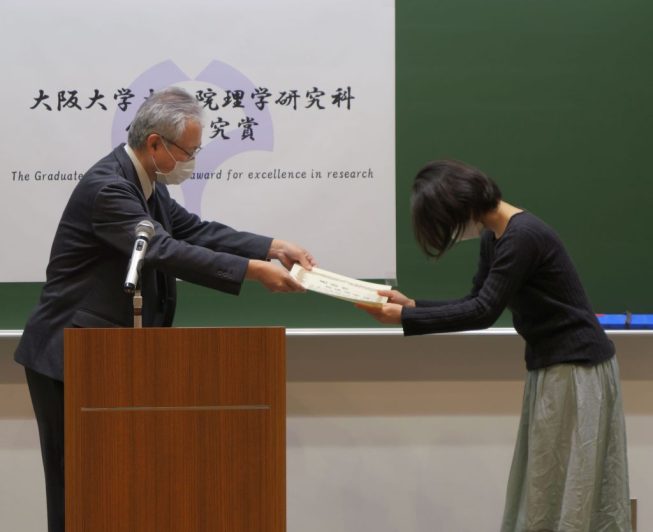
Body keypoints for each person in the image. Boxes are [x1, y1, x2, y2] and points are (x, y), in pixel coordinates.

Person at [14, 86, 316, 532]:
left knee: (114, 485)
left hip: (107, 355)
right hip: (66, 356)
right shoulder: (108, 188)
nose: (192, 160)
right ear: (155, 143)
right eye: (188, 151)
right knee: (75, 486)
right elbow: (164, 250)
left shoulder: (147, 184)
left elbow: (194, 231)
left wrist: (271, 247)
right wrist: (253, 272)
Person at [358, 159, 631, 531]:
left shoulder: (522, 237)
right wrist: (413, 306)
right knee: (547, 485)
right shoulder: (496, 236)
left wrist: (404, 319)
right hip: (556, 367)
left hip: (576, 368)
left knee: (564, 488)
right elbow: (476, 300)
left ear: (460, 207)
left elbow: (483, 312)